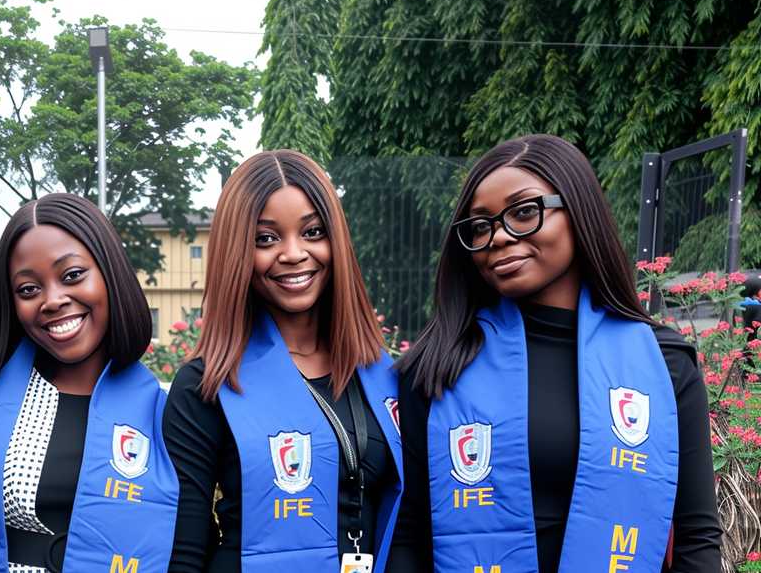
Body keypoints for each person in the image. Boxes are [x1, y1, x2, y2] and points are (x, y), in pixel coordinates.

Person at [387, 134, 722, 571]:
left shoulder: (665, 365)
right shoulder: (438, 367)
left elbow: (696, 535)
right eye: (480, 226)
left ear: (578, 210)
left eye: (524, 212)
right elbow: (409, 533)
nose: (499, 237)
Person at [165, 150, 404, 573]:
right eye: (266, 239)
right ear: (237, 252)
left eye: (313, 232)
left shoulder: (382, 375)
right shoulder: (207, 384)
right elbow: (185, 552)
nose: (293, 253)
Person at [0, 192, 178, 573]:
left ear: (109, 273)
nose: (52, 300)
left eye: (72, 276)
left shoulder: (164, 411)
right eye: (28, 289)